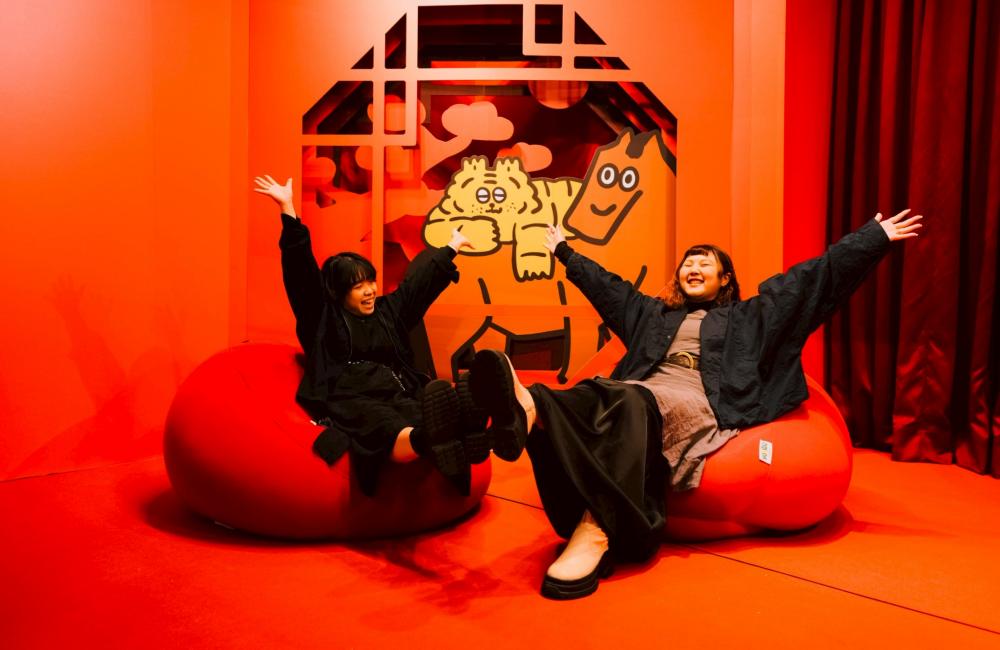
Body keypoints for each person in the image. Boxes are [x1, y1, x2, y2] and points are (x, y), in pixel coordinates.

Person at [468, 209, 923, 599]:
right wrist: (564, 252)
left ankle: (596, 528)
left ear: (725, 279)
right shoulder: (653, 314)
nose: (694, 266)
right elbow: (608, 288)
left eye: (706, 262)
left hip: (698, 398)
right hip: (643, 387)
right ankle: (528, 408)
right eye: (688, 261)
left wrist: (873, 238)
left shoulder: (749, 316)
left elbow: (811, 281)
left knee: (628, 398)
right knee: (594, 393)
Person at [254, 174, 482, 496]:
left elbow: (417, 287)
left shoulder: (387, 311)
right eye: (358, 286)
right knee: (383, 422)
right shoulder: (323, 318)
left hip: (397, 391)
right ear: (339, 292)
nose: (370, 290)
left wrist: (451, 248)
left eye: (371, 281)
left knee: (418, 408)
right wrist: (288, 210)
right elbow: (301, 275)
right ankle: (430, 440)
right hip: (350, 398)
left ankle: (467, 426)